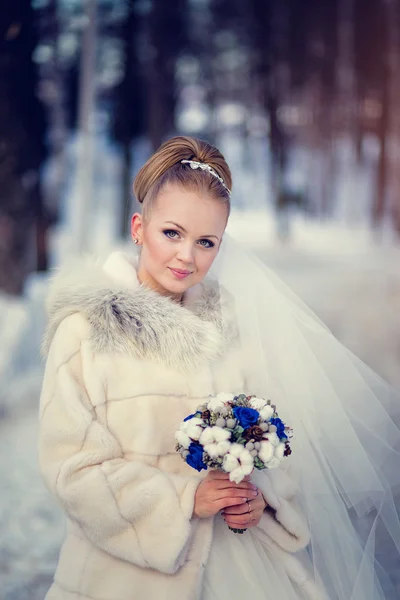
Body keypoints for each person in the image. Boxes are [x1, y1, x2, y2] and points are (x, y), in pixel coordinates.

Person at [39, 135, 400, 600]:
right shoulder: (85, 329)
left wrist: (255, 499)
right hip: (120, 579)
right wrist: (184, 499)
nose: (186, 256)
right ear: (137, 228)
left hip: (235, 570)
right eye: (171, 233)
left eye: (205, 242)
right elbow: (71, 469)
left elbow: (274, 447)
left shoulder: (231, 328)